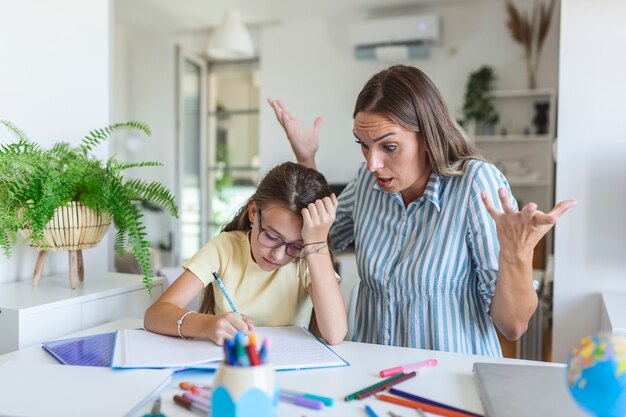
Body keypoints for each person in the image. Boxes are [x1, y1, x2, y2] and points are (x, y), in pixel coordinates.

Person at [268, 65, 576, 356]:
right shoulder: (366, 181)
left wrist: (516, 252)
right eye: (363, 145)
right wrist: (306, 159)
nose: (372, 163)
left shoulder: (474, 185)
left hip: (448, 381)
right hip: (369, 374)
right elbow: (316, 238)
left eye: (388, 147)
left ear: (428, 137)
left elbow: (513, 326)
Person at [144, 162, 347, 346]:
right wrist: (207, 325)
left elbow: (335, 333)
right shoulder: (224, 248)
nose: (278, 255)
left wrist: (316, 244)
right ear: (252, 212)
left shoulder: (307, 258)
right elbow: (154, 315)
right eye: (271, 236)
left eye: (295, 245)